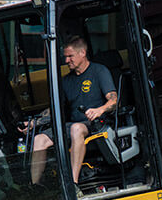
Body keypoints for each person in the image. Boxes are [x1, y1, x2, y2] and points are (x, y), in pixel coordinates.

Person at [26, 36, 117, 186]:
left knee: (76, 128)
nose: (67, 60)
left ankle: (73, 184)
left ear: (82, 53)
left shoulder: (99, 71)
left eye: (70, 56)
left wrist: (99, 110)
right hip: (73, 124)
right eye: (65, 57)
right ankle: (35, 186)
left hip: (97, 123)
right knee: (39, 139)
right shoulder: (66, 81)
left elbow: (113, 99)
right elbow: (55, 109)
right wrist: (34, 122)